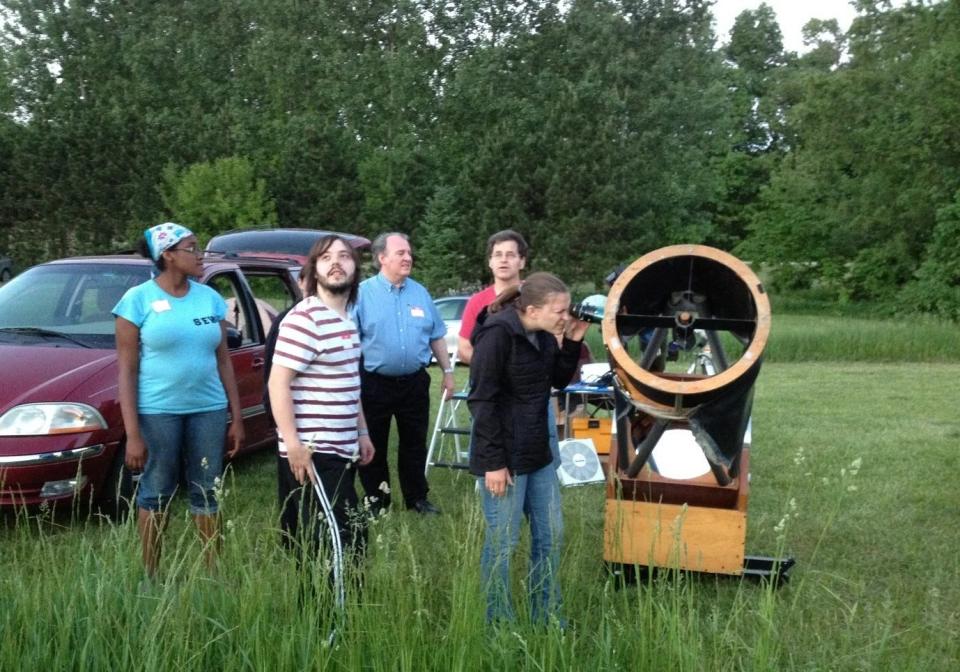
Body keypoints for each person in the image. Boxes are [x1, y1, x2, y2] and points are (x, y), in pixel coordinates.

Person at [115, 222, 244, 579]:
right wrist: (134, 435)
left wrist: (236, 416)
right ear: (167, 255)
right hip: (158, 413)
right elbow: (126, 372)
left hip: (209, 410)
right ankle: (151, 574)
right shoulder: (136, 301)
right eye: (191, 248)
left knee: (207, 489)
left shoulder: (210, 299)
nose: (199, 254)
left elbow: (223, 361)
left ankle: (212, 573)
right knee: (156, 489)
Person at [468, 272, 589, 624]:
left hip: (538, 453)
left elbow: (557, 380)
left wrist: (572, 341)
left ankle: (547, 616)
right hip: (503, 457)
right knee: (503, 544)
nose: (565, 316)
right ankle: (497, 625)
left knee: (550, 536)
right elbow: (481, 401)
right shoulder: (497, 335)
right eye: (560, 310)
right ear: (533, 309)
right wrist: (492, 462)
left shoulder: (543, 335)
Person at [268, 235, 374, 605]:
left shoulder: (345, 318)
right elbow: (277, 382)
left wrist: (361, 430)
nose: (336, 263)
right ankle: (335, 628)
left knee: (335, 536)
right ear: (313, 270)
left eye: (344, 256)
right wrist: (294, 445)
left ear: (355, 269)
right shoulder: (305, 319)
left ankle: (323, 613)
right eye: (326, 257)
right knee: (340, 539)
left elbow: (350, 380)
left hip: (341, 448)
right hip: (314, 452)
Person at [352, 232, 454, 515]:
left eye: (409, 252)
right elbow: (349, 340)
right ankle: (377, 500)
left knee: (414, 443)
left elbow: (436, 336)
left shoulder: (420, 293)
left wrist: (447, 371)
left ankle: (417, 498)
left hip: (414, 383)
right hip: (374, 383)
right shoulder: (362, 294)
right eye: (401, 253)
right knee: (373, 444)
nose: (408, 257)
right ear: (382, 258)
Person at [457, 229, 528, 365]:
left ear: (522, 262)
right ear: (490, 262)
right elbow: (464, 348)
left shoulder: (536, 296)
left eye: (510, 255)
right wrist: (492, 367)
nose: (503, 260)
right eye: (498, 255)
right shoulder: (476, 302)